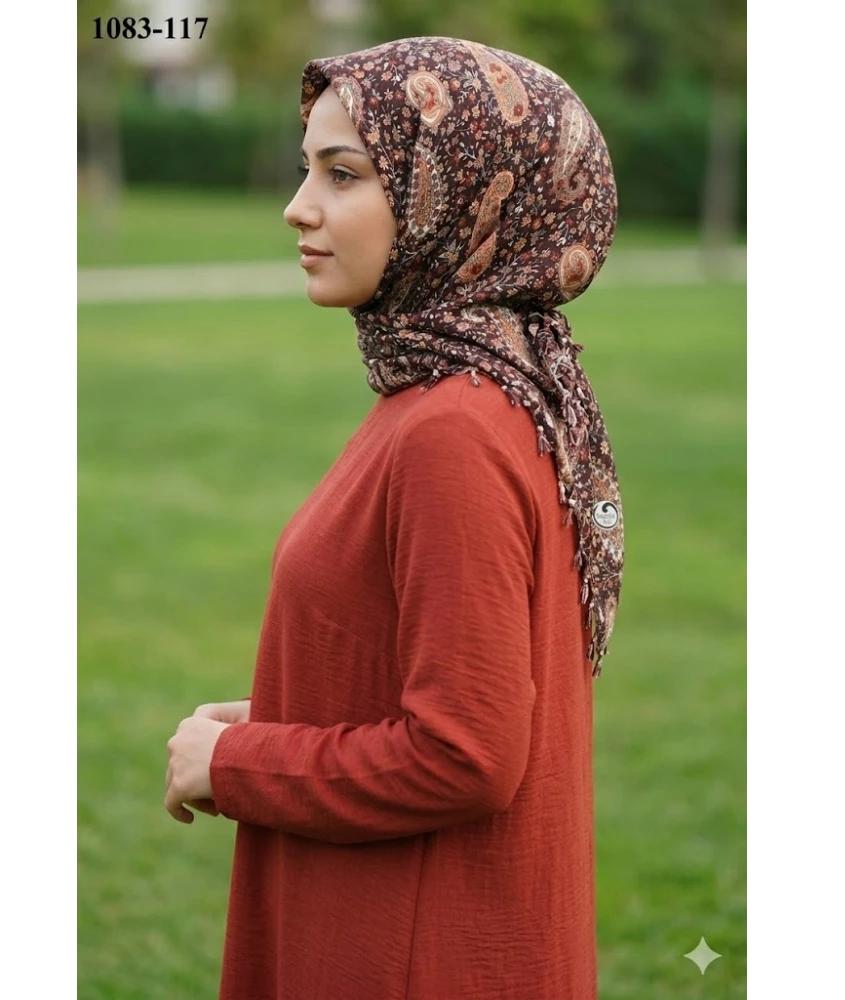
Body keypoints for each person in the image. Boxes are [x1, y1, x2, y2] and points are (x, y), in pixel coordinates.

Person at [164, 34, 625, 1000]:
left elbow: (465, 755)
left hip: (414, 954)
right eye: (307, 170)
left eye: (343, 175)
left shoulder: (454, 428)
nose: (299, 207)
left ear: (456, 198)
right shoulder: (479, 393)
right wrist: (284, 705)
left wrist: (237, 764)